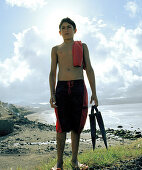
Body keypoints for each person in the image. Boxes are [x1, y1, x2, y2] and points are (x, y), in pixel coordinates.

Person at [49, 17, 98, 170]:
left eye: (69, 27)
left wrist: (94, 93)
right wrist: (52, 93)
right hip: (62, 88)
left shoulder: (82, 46)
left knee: (77, 126)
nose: (66, 30)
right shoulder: (56, 49)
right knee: (61, 126)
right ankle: (59, 163)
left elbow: (89, 69)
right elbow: (52, 73)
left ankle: (74, 161)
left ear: (75, 30)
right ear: (59, 32)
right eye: (63, 27)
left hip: (78, 86)